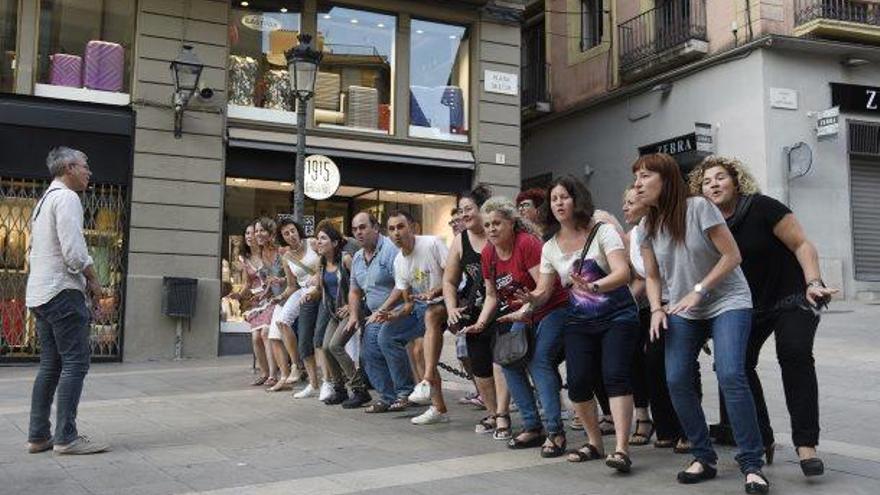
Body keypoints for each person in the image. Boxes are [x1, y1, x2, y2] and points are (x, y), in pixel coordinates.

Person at [690, 156, 836, 477]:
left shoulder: (763, 207)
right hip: (746, 305)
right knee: (734, 365)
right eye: (706, 181)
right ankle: (763, 438)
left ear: (736, 180)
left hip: (795, 293)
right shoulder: (705, 224)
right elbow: (708, 273)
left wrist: (813, 282)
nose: (713, 184)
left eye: (720, 178)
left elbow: (801, 244)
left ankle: (806, 445)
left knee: (794, 353)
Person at [634, 153, 769, 494]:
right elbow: (651, 275)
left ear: (665, 179)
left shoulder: (699, 207)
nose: (637, 183)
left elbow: (732, 255)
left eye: (645, 175)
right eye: (636, 177)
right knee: (676, 377)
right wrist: (656, 308)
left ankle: (752, 463)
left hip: (727, 299)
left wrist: (699, 289)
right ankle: (703, 455)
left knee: (729, 373)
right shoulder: (647, 226)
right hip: (683, 307)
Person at [528, 176, 639, 472]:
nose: (559, 203)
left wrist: (594, 287)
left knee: (615, 376)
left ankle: (621, 449)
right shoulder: (549, 246)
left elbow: (622, 273)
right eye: (554, 199)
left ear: (577, 200)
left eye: (564, 197)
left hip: (617, 315)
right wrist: (529, 297)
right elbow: (544, 290)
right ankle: (594, 442)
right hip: (579, 319)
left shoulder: (602, 231)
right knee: (577, 382)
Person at [463, 196, 569, 458]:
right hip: (520, 314)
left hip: (553, 308)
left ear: (512, 223)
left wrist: (526, 309)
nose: (491, 230)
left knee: (539, 361)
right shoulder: (489, 252)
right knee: (508, 360)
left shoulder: (528, 244)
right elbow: (491, 295)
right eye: (487, 225)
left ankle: (556, 431)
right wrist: (480, 322)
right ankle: (533, 427)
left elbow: (543, 290)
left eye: (497, 223)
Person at [26, 146, 109, 455]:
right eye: (85, 166)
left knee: (50, 365)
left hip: (40, 293)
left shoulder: (44, 200)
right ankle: (66, 437)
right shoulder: (67, 198)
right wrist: (93, 277)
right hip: (62, 291)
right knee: (75, 362)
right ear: (70, 168)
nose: (89, 172)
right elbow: (74, 251)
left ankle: (38, 436)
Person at [622, 187, 686, 451]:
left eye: (630, 202)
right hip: (649, 305)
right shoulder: (634, 234)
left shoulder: (667, 227)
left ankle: (686, 427)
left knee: (668, 363)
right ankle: (664, 427)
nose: (625, 207)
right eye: (623, 203)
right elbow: (638, 277)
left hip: (677, 302)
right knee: (645, 362)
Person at [368, 210, 449, 414]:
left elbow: (454, 278)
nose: (396, 233)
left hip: (448, 300)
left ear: (413, 228)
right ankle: (407, 392)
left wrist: (435, 291)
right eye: (392, 229)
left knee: (420, 349)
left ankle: (427, 385)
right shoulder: (399, 261)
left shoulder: (432, 244)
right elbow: (408, 304)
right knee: (386, 335)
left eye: (401, 227)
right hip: (421, 306)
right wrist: (392, 315)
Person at [346, 211, 399, 411]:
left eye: (363, 227)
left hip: (399, 309)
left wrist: (384, 310)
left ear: (375, 228)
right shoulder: (358, 257)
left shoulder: (390, 250)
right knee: (368, 354)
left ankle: (399, 393)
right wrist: (353, 314)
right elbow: (354, 291)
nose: (358, 232)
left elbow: (401, 285)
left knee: (381, 344)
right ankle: (390, 396)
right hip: (375, 313)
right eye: (354, 229)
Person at [313, 220, 365, 405]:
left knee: (335, 346)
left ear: (334, 243)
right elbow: (322, 289)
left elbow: (361, 285)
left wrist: (352, 308)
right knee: (326, 348)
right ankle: (339, 389)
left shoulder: (345, 259)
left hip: (352, 311)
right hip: (335, 313)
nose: (318, 242)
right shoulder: (321, 263)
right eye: (317, 238)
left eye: (323, 238)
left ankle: (359, 389)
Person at [271, 218, 322, 399]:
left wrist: (318, 276)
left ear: (298, 230)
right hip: (301, 290)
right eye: (286, 233)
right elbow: (292, 286)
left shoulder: (313, 243)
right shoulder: (286, 257)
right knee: (282, 321)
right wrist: (280, 297)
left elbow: (329, 260)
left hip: (320, 287)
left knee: (312, 336)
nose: (291, 235)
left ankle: (314, 377)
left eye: (292, 230)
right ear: (282, 237)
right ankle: (295, 365)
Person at [263, 217, 301, 392]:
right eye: (256, 232)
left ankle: (294, 367)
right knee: (272, 337)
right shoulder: (264, 254)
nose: (258, 235)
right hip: (281, 298)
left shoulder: (284, 251)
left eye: (262, 231)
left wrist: (281, 280)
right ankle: (284, 377)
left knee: (279, 330)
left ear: (272, 234)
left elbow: (294, 277)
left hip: (293, 296)